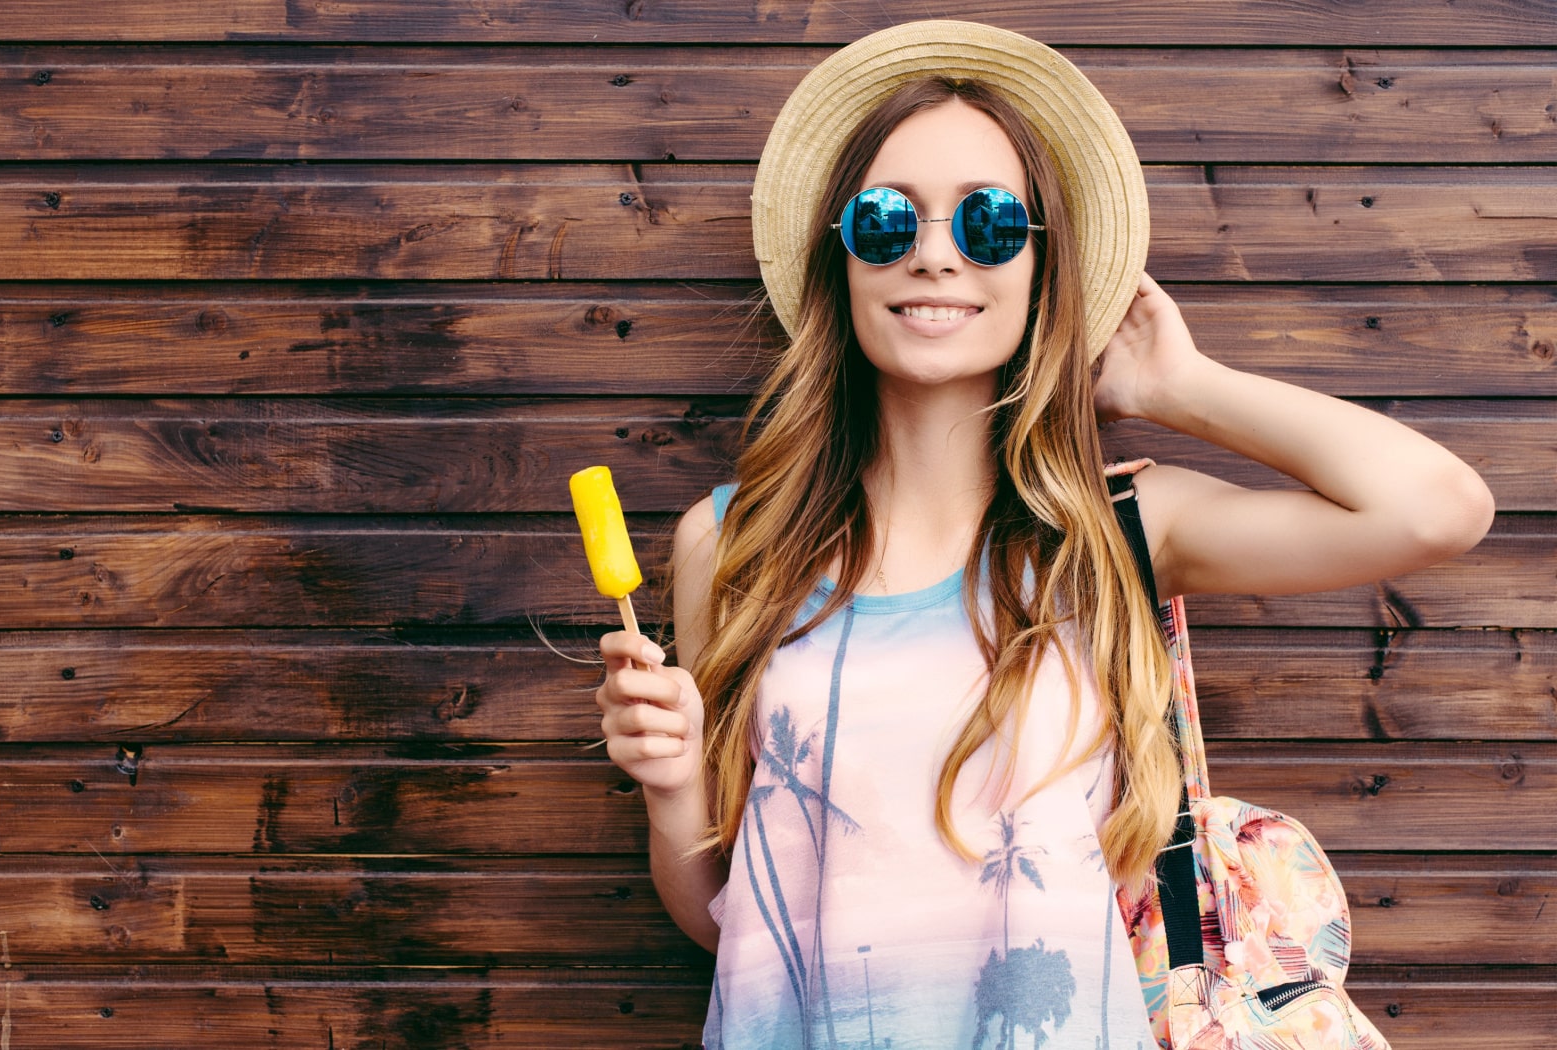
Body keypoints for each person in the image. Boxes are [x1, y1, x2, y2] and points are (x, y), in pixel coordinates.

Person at [593, 21, 1493, 1049]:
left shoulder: (1116, 534)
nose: (934, 255)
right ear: (840, 258)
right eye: (887, 221)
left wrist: (1180, 389)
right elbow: (725, 927)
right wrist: (671, 795)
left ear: (1038, 267)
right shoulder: (731, 543)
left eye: (987, 223)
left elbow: (1438, 508)